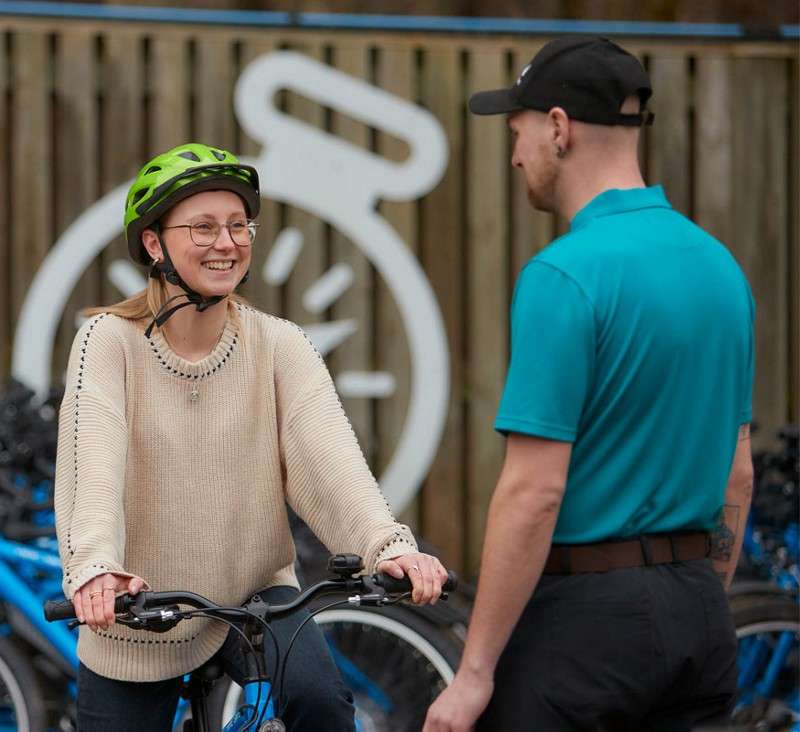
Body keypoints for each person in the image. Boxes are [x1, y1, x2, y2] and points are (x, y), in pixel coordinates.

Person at [53, 142, 448, 731]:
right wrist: (94, 567)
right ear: (155, 243)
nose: (228, 242)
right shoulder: (108, 341)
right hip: (135, 615)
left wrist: (387, 546)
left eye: (240, 226)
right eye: (204, 227)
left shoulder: (279, 344)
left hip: (255, 600)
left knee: (323, 707)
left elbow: (330, 462)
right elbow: (94, 457)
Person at [424, 37, 755, 731]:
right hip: (701, 615)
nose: (515, 157)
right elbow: (738, 475)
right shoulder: (720, 268)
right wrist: (692, 598)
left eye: (516, 134)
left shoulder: (565, 274)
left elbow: (534, 492)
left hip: (585, 628)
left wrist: (474, 673)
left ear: (557, 128)